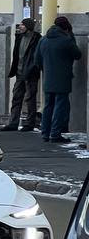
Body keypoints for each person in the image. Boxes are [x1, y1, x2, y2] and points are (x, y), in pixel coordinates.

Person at [36, 15, 82, 143]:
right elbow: (77, 55)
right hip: (63, 78)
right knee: (60, 106)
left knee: (48, 105)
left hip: (48, 78)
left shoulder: (43, 40)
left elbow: (37, 60)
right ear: (66, 27)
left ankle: (45, 133)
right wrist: (72, 36)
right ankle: (55, 134)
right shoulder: (66, 40)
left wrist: (46, 70)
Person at [2, 18, 42, 131]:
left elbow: (37, 56)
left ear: (28, 27)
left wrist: (33, 68)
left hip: (30, 73)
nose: (20, 27)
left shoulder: (37, 38)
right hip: (19, 73)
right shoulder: (19, 37)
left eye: (22, 25)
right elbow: (17, 55)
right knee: (16, 98)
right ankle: (13, 123)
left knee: (30, 98)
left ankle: (30, 123)